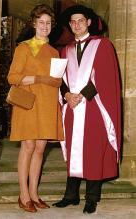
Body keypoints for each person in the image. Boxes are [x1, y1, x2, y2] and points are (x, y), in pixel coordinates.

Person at [53, 4, 121, 214]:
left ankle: (91, 198)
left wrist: (81, 95)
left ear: (89, 22)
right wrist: (66, 95)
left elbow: (106, 77)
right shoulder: (66, 49)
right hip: (73, 108)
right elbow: (60, 79)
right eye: (73, 22)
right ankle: (71, 195)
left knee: (93, 150)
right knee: (74, 149)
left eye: (80, 21)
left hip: (93, 106)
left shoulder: (103, 45)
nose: (76, 25)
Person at [7, 4, 64, 213]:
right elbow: (12, 77)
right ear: (34, 24)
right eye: (41, 22)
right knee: (28, 147)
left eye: (48, 23)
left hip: (47, 104)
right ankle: (23, 195)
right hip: (28, 104)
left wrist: (55, 81)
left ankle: (34, 194)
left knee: (40, 148)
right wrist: (40, 78)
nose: (45, 26)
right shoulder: (24, 48)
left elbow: (57, 82)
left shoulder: (54, 51)